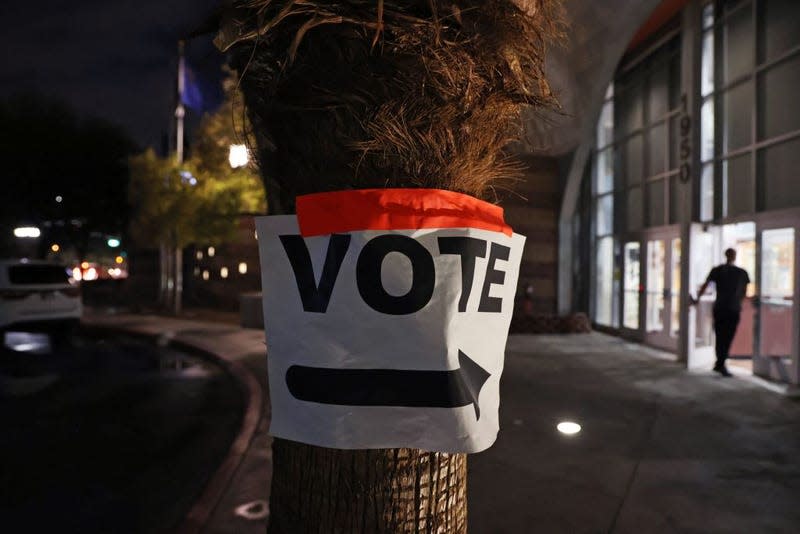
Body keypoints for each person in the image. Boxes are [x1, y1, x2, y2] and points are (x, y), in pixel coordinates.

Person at [690, 248, 751, 377]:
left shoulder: (720, 271)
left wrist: (697, 299)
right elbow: (744, 292)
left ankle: (720, 362)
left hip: (722, 308)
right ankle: (721, 363)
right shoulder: (740, 272)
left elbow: (705, 285)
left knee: (721, 335)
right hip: (731, 309)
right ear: (734, 256)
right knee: (726, 336)